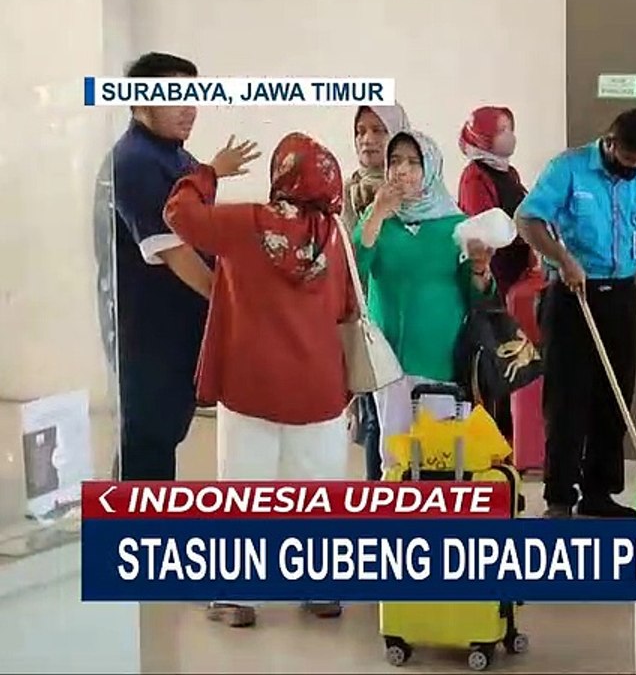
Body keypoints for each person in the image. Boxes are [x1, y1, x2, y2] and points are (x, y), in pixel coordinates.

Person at [165, 132, 353, 628]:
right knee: (315, 488)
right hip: (318, 384)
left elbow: (178, 214)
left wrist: (210, 172)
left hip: (251, 381)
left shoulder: (245, 223)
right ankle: (320, 589)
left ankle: (237, 595)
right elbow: (344, 307)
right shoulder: (335, 237)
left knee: (245, 485)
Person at [515, 108, 636, 519]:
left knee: (615, 398)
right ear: (610, 142)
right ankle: (559, 497)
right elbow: (528, 219)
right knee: (567, 401)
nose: (634, 168)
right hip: (572, 297)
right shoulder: (569, 169)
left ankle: (599, 493)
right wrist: (562, 258)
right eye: (629, 159)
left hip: (621, 297)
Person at [355, 129, 495, 475]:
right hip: (387, 359)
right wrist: (376, 214)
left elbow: (477, 295)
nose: (402, 170)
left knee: (437, 456)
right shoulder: (378, 223)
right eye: (395, 162)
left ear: (430, 169)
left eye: (413, 163)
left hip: (439, 357)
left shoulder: (456, 225)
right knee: (394, 455)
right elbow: (354, 268)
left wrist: (480, 270)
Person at [103, 52, 212, 481]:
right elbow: (174, 251)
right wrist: (227, 299)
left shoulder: (178, 159)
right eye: (174, 98)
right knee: (147, 444)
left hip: (178, 328)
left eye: (193, 96)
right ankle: (137, 537)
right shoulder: (135, 161)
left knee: (161, 437)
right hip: (147, 333)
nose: (189, 109)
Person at [457, 105, 536, 443]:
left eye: (510, 127)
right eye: (502, 129)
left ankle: (509, 443)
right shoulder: (476, 176)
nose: (510, 136)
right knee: (493, 367)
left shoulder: (509, 172)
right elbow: (483, 226)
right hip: (493, 283)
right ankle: (492, 444)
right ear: (484, 136)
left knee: (511, 365)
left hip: (516, 279)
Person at [342, 103, 410, 480]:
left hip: (411, 322)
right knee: (375, 421)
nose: (367, 139)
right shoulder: (348, 189)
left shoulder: (418, 193)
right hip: (366, 319)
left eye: (378, 130)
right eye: (361, 131)